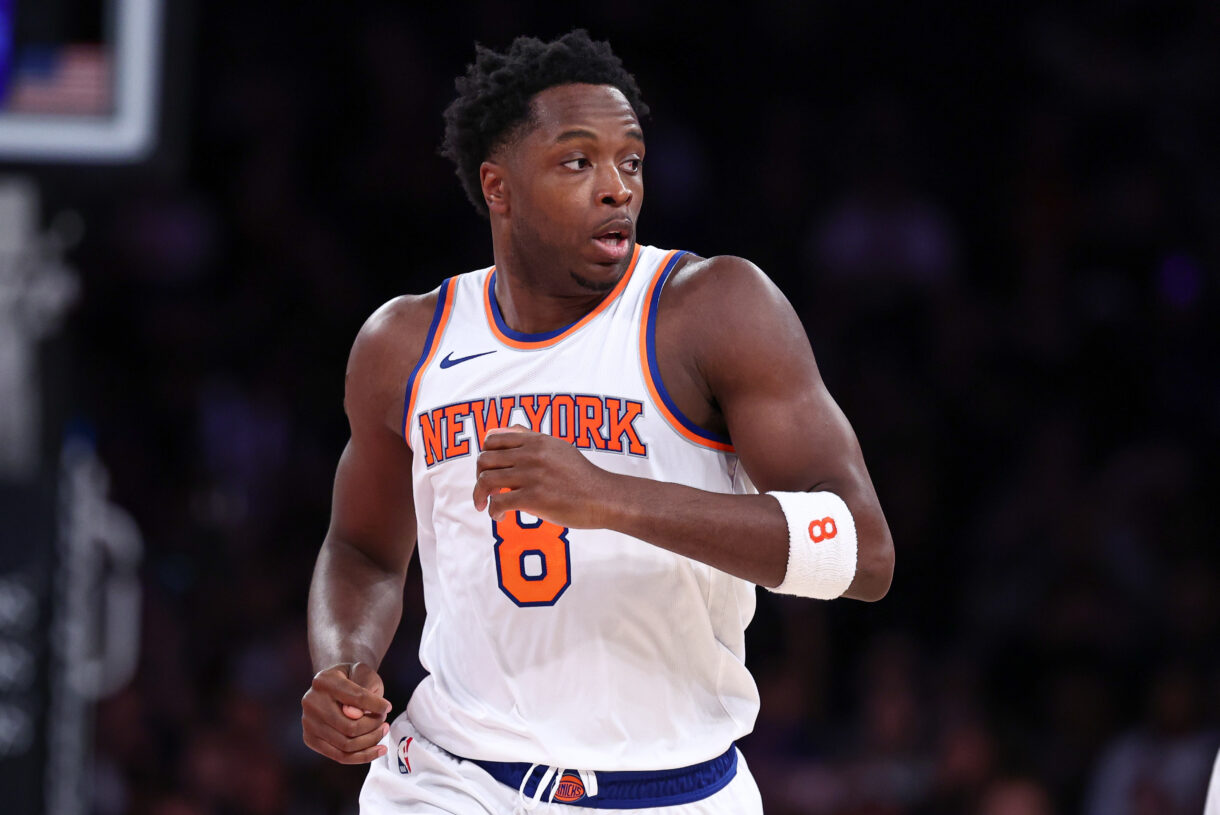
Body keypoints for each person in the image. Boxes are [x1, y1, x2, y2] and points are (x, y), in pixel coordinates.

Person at [301, 30, 894, 814]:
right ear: (498, 186)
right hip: (450, 779)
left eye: (631, 160)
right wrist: (344, 663)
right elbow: (364, 548)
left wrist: (609, 497)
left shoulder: (713, 310)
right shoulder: (405, 341)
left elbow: (861, 553)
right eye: (578, 161)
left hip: (677, 786)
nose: (617, 186)